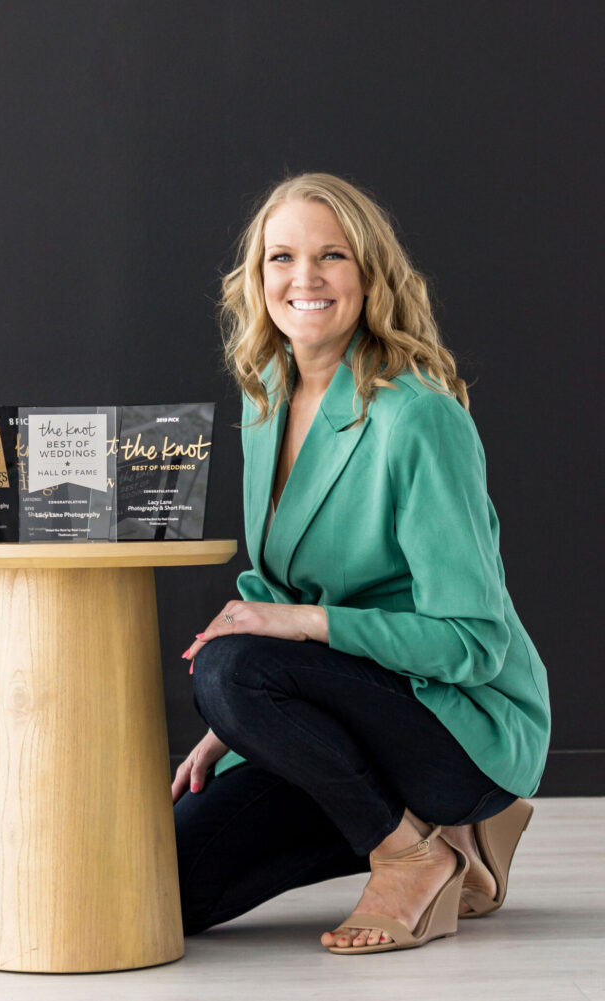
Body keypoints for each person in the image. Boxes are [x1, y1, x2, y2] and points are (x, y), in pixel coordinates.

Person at [171, 172, 550, 955]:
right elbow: (275, 587)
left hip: (457, 724)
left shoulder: (419, 417)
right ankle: (451, 838)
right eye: (281, 257)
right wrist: (233, 727)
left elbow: (474, 642)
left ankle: (415, 853)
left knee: (228, 665)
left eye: (331, 256)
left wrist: (293, 635)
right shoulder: (267, 393)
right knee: (170, 887)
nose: (303, 278)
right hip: (341, 720)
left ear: (369, 274)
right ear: (258, 277)